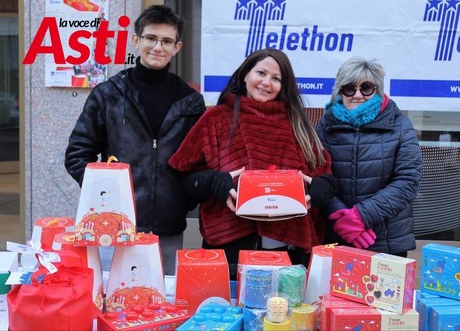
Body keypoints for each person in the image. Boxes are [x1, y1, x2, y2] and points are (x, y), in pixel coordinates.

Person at [169, 48, 336, 278]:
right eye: (261, 73)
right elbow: (185, 176)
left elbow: (324, 175)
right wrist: (213, 182)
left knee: (280, 313)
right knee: (227, 310)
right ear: (245, 74)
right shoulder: (216, 118)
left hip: (287, 249)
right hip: (228, 247)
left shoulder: (297, 123)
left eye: (276, 78)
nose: (267, 82)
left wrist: (321, 188)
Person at [65, 5, 206, 275]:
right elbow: (77, 155)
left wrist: (185, 200)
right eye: (151, 38)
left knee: (162, 302)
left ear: (177, 47)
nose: (158, 47)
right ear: (136, 40)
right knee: (113, 302)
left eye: (166, 41)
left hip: (169, 225)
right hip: (114, 227)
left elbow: (198, 161)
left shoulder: (190, 101)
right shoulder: (108, 94)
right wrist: (105, 197)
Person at [316, 56, 423, 257]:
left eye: (366, 88)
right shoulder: (325, 125)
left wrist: (361, 217)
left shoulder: (400, 125)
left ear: (378, 90)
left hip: (386, 240)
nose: (357, 95)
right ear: (340, 91)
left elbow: (408, 180)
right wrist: (340, 218)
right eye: (349, 88)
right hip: (337, 237)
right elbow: (318, 175)